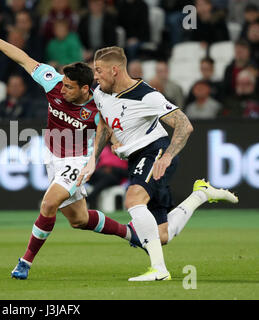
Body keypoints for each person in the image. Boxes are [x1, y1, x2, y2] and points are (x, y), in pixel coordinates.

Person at [0, 14, 131, 280]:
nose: (63, 91)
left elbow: (106, 128)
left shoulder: (99, 103)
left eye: (70, 88)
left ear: (86, 89)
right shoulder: (54, 81)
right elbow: (23, 58)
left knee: (48, 205)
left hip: (78, 160)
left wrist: (113, 144)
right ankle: (132, 234)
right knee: (79, 220)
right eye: (63, 84)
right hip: (52, 156)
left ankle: (25, 262)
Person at [77, 46, 238, 281]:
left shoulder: (146, 95)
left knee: (133, 199)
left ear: (115, 70)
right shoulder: (101, 92)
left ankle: (159, 270)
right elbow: (103, 124)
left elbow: (184, 125)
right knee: (161, 235)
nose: (95, 76)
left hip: (155, 152)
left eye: (99, 71)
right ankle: (201, 195)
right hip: (136, 159)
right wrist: (93, 159)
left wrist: (168, 156)